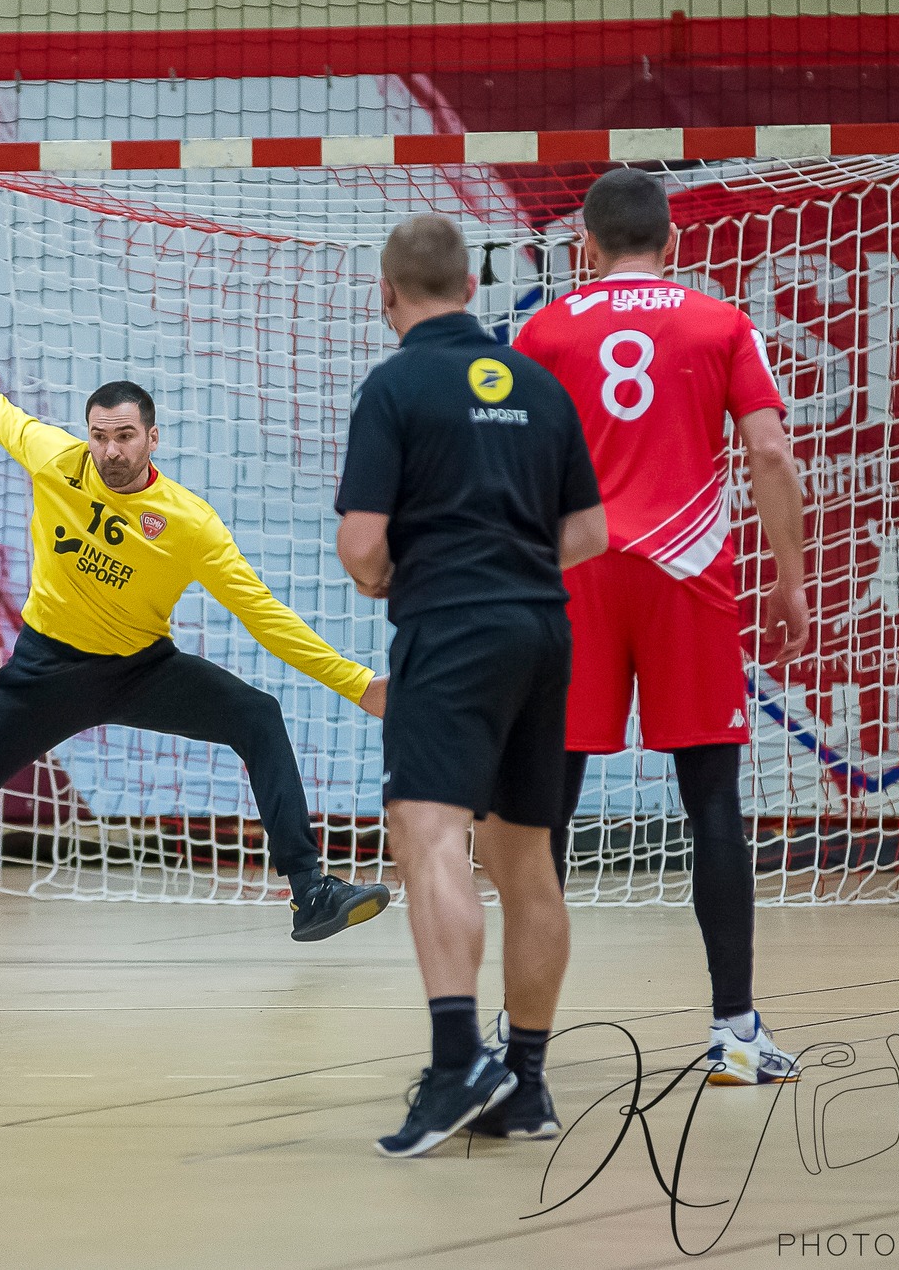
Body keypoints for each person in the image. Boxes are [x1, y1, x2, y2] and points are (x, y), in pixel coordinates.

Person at [0, 242, 393, 963]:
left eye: (125, 437)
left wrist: (358, 684)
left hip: (140, 669)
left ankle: (309, 890)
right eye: (100, 436)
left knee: (257, 716)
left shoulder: (188, 524)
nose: (110, 451)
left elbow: (265, 616)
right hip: (46, 672)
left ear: (152, 437)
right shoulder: (55, 459)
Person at [512, 168, 809, 1085]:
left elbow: (509, 463)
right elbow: (767, 449)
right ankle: (735, 1032)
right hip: (687, 576)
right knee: (711, 800)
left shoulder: (546, 327)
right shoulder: (720, 321)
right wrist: (791, 587)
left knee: (543, 811)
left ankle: (521, 1050)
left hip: (577, 579)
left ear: (584, 247)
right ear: (673, 242)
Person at [337, 214, 607, 1156]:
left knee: (426, 832)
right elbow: (589, 534)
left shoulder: (396, 384)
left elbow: (363, 545)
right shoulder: (538, 384)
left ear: (389, 292)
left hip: (449, 630)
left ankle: (458, 1062)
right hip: (542, 630)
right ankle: (525, 1086)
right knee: (525, 858)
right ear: (470, 285)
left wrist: (394, 577)